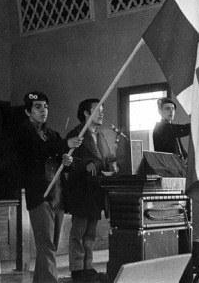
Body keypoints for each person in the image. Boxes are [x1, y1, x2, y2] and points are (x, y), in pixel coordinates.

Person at [15, 91, 82, 283]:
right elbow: (37, 151)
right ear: (28, 111)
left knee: (51, 243)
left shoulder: (52, 134)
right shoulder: (23, 132)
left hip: (57, 194)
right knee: (46, 245)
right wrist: (63, 145)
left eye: (45, 106)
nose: (43, 111)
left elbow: (59, 154)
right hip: (39, 195)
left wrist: (66, 159)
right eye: (38, 107)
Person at [65, 98, 117, 282]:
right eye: (97, 110)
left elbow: (107, 158)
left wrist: (112, 166)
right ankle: (77, 269)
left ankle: (88, 266)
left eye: (102, 109)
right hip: (81, 192)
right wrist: (87, 164)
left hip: (97, 192)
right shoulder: (76, 134)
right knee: (78, 232)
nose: (102, 113)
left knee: (91, 233)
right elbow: (69, 163)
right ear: (86, 113)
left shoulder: (101, 135)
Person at [152, 97, 190, 162]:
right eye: (167, 108)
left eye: (173, 108)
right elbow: (185, 129)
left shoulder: (172, 129)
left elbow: (179, 149)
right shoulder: (160, 128)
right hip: (167, 167)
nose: (171, 111)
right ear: (160, 111)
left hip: (176, 165)